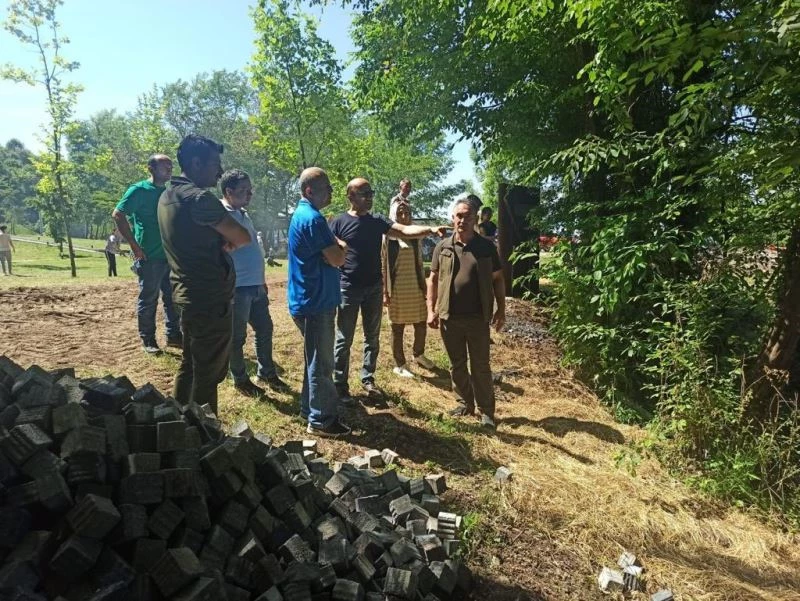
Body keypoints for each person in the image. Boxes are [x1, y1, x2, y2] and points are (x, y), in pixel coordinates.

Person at [330, 178, 447, 403]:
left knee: (372, 337)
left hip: (373, 287)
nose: (370, 196)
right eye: (364, 193)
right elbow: (327, 245)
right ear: (351, 197)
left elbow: (404, 230)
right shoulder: (338, 222)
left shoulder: (377, 221)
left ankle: (368, 379)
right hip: (349, 289)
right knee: (344, 338)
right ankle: (339, 383)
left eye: (371, 192)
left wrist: (430, 229)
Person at [158, 135, 251, 414]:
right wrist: (227, 240)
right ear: (196, 163)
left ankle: (177, 425)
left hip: (186, 294)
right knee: (208, 374)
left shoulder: (167, 195)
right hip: (209, 298)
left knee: (191, 364)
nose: (220, 172)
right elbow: (243, 236)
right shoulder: (199, 198)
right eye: (215, 164)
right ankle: (206, 438)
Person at [427, 196, 506, 429]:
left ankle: (487, 412)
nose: (462, 220)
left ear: (475, 218)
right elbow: (432, 279)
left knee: (480, 366)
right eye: (459, 215)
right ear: (453, 218)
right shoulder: (442, 247)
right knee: (457, 364)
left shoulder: (485, 248)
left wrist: (501, 309)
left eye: (467, 216)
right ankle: (464, 403)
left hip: (477, 318)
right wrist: (431, 310)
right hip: (449, 318)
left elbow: (498, 279)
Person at [288, 167, 350, 437]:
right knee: (322, 364)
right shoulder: (313, 219)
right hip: (315, 301)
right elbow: (338, 258)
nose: (331, 193)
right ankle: (322, 420)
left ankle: (308, 408)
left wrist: (335, 249)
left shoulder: (306, 215)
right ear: (309, 190)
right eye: (327, 188)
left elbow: (332, 253)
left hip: (311, 298)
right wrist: (341, 249)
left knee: (314, 358)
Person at [219, 169, 289, 397]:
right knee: (237, 336)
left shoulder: (242, 213)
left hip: (255, 285)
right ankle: (240, 378)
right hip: (237, 287)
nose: (249, 194)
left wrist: (262, 280)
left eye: (250, 190)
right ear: (229, 191)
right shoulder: (221, 214)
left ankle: (267, 372)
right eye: (244, 191)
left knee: (264, 328)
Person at [113, 154, 182, 354]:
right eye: (164, 166)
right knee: (149, 299)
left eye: (171, 166)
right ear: (151, 169)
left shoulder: (171, 192)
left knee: (173, 298)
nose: (169, 169)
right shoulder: (139, 190)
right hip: (149, 256)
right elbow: (118, 214)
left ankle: (174, 335)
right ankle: (148, 340)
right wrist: (134, 246)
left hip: (170, 256)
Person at [381, 201, 435, 378]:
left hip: (414, 286)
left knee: (420, 323)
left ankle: (418, 354)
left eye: (407, 213)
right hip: (396, 288)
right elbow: (383, 264)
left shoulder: (415, 236)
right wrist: (384, 291)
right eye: (400, 213)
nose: (404, 216)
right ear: (394, 215)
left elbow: (419, 263)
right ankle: (400, 364)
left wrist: (424, 285)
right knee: (398, 327)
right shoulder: (388, 237)